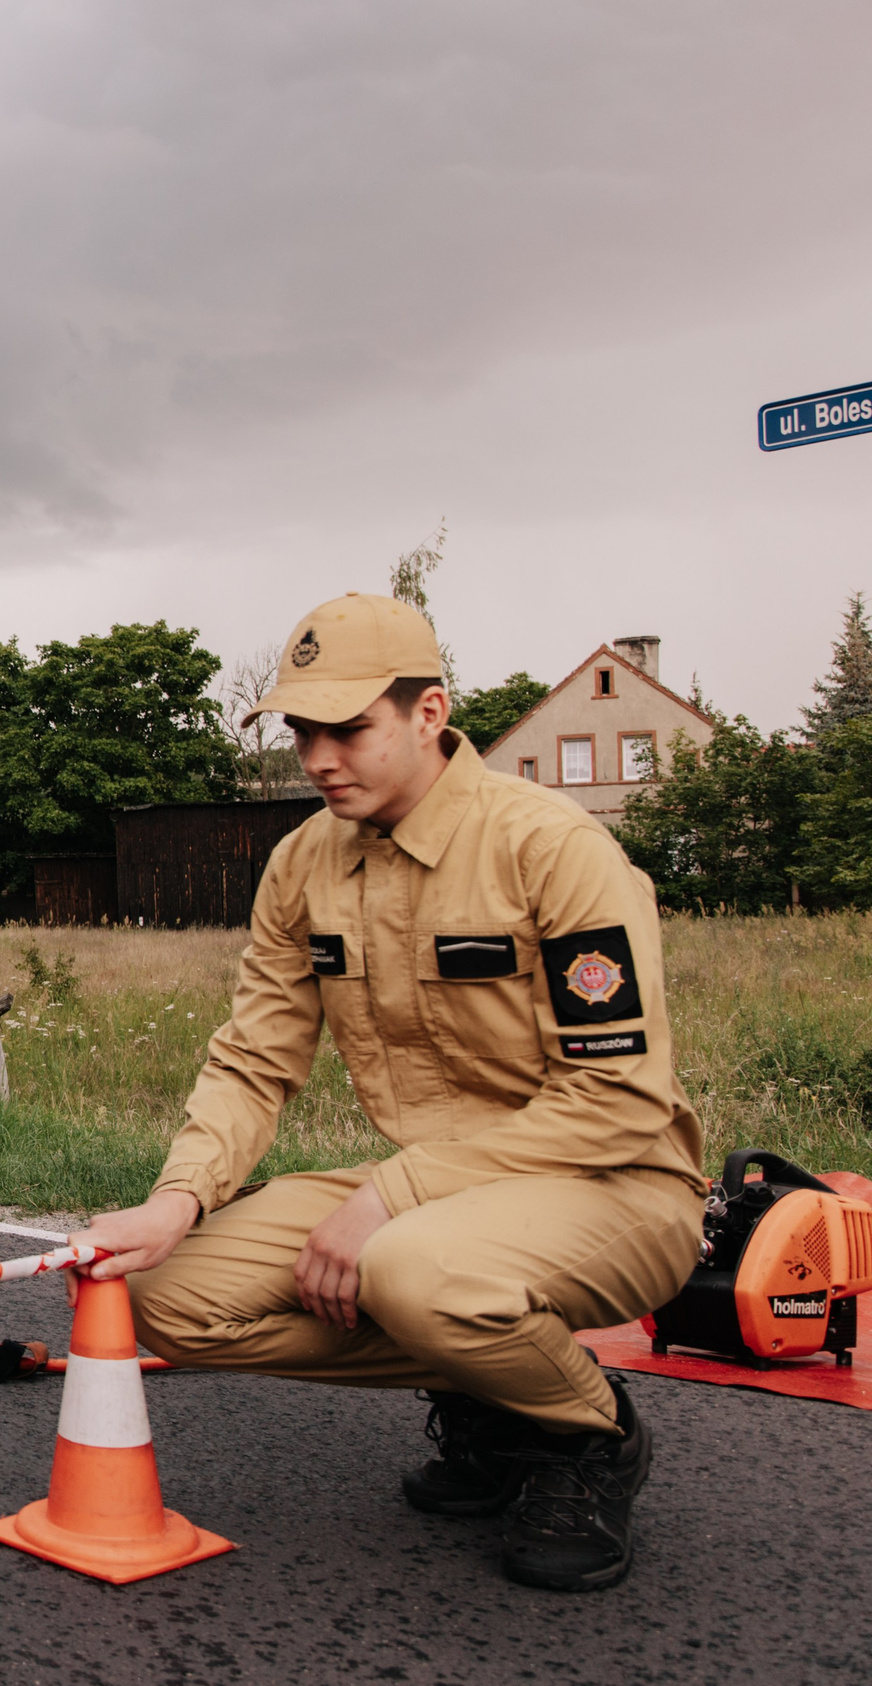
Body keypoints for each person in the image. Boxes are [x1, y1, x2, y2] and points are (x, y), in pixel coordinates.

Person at [81, 592, 705, 1593]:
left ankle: (584, 1431)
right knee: (163, 1294)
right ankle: (489, 1390)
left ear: (428, 713)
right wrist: (176, 1198)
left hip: (615, 1183)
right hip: (429, 1196)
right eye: (301, 732)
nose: (318, 758)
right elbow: (254, 1057)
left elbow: (618, 1099)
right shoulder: (302, 864)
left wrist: (391, 1201)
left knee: (412, 1269)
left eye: (347, 728)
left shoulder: (549, 846)